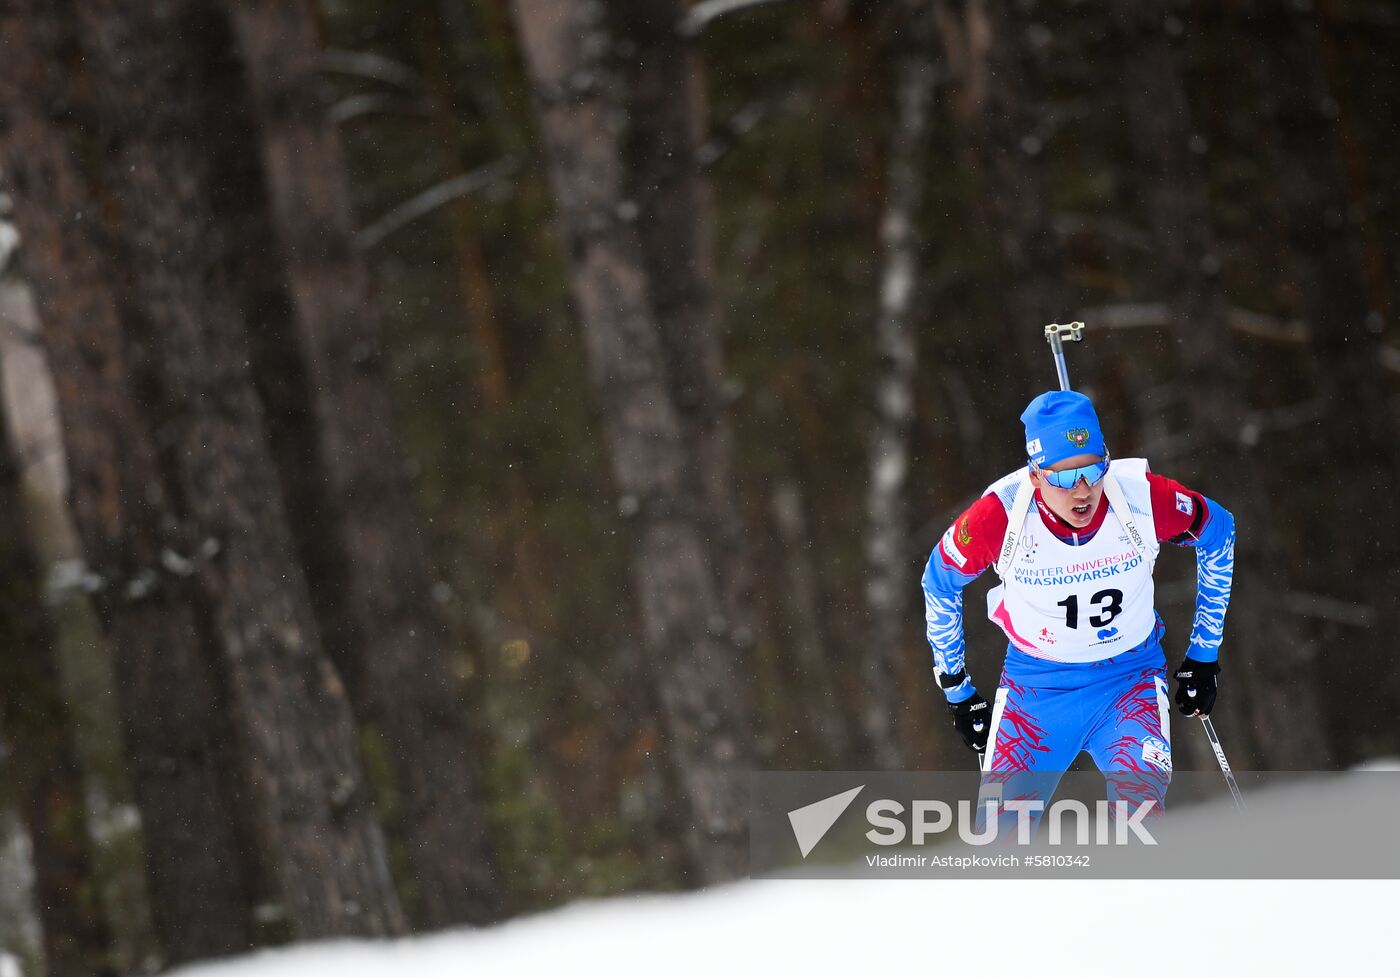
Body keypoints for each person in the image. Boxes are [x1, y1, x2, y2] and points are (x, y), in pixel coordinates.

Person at [922, 390, 1235, 822]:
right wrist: (957, 690)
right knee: (1000, 844)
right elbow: (938, 581)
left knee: (1140, 824)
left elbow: (1219, 531)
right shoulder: (999, 516)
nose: (1082, 491)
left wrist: (1204, 653)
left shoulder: (1142, 499)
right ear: (1034, 475)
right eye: (1064, 478)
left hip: (1130, 682)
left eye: (1092, 470)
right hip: (1037, 691)